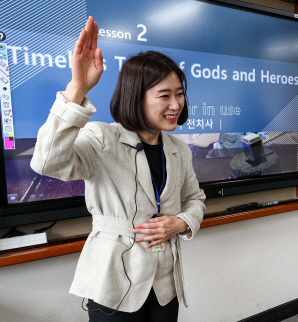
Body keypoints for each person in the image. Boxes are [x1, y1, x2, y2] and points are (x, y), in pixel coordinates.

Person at [30, 16, 206, 321]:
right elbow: (47, 163)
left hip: (165, 282)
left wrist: (181, 223)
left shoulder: (178, 149)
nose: (176, 104)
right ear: (135, 98)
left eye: (179, 93)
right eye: (164, 95)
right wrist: (76, 89)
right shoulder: (102, 137)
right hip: (113, 280)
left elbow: (195, 199)